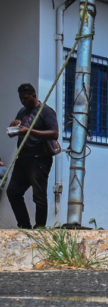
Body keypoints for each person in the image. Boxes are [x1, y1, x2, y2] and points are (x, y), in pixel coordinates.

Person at [6, 83, 59, 229]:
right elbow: (13, 133)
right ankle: (24, 226)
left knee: (39, 195)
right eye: (21, 99)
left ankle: (40, 228)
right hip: (23, 159)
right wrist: (13, 127)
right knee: (13, 192)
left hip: (39, 159)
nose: (23, 101)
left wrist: (29, 131)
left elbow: (55, 133)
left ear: (34, 96)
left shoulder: (46, 111)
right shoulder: (22, 111)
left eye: (25, 98)